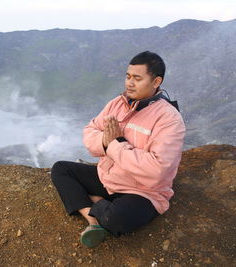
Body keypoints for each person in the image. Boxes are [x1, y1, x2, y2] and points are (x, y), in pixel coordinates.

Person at [51, 51, 186, 248]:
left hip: (143, 191)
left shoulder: (169, 119)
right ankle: (92, 216)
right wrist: (105, 143)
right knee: (61, 169)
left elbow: (157, 169)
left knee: (116, 219)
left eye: (137, 78)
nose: (129, 83)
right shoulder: (117, 103)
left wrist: (114, 145)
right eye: (128, 76)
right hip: (109, 177)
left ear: (156, 81)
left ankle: (97, 204)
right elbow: (90, 131)